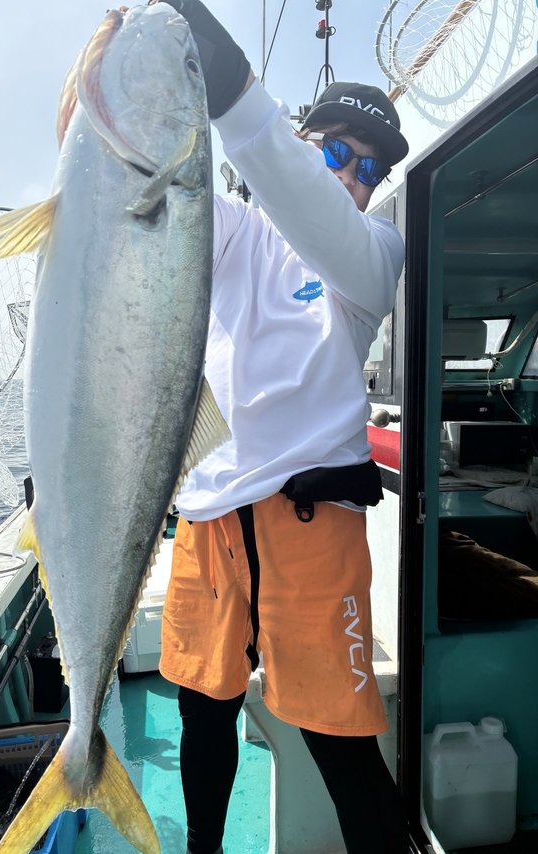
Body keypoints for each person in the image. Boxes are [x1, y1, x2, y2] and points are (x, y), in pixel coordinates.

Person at [146, 2, 411, 852]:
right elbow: (157, 195)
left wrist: (229, 83)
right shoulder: (236, 233)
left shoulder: (374, 253)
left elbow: (302, 196)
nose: (352, 177)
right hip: (211, 515)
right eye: (335, 152)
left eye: (368, 168)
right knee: (203, 717)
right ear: (302, 143)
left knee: (342, 745)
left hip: (312, 523)